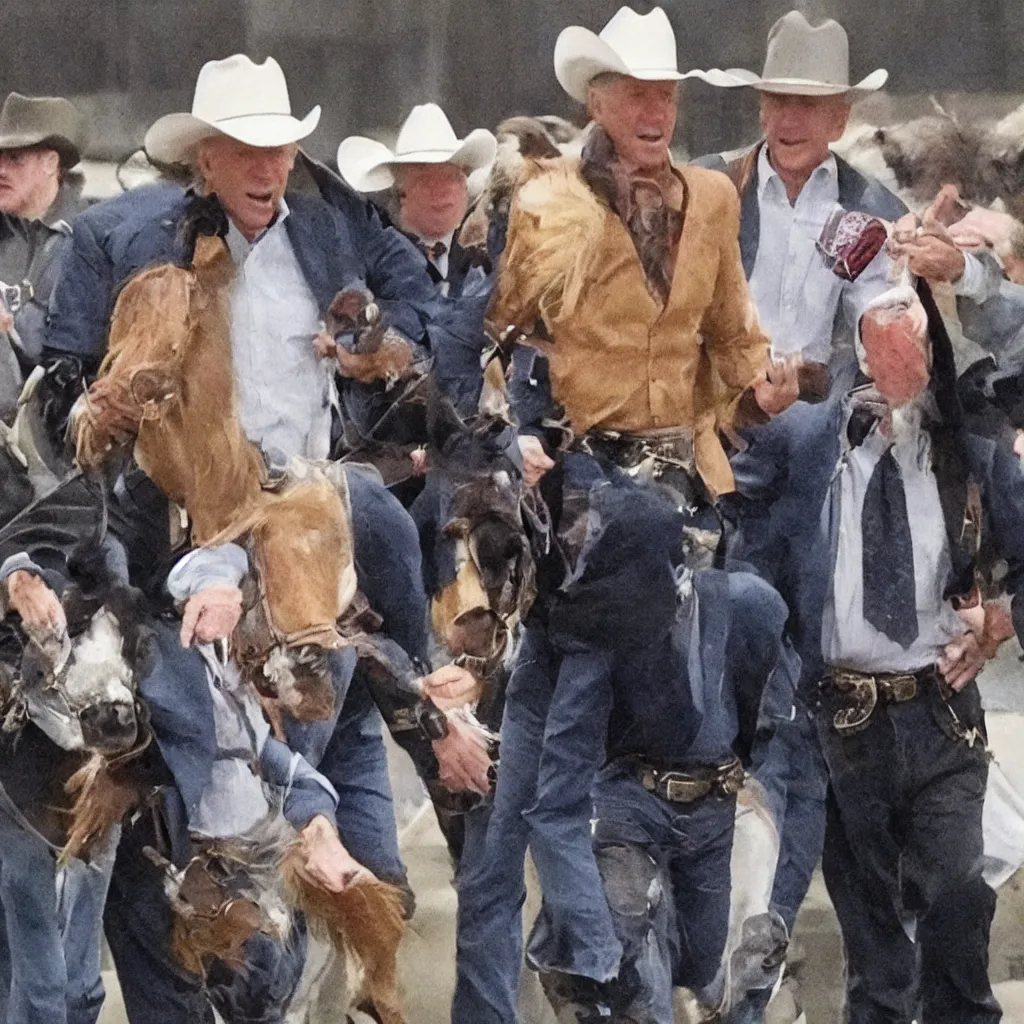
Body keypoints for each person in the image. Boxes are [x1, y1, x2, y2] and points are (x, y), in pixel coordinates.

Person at [41, 54, 484, 1023]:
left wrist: (377, 338)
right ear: (205, 159)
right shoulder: (125, 241)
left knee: (294, 731)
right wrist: (105, 406)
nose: (266, 167)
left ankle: (292, 944)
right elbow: (58, 387)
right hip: (169, 529)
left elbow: (420, 313)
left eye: (279, 149)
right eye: (245, 150)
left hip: (302, 531)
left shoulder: (330, 229)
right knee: (180, 764)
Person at [452, 8, 798, 1022]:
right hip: (584, 500)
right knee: (578, 736)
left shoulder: (713, 197)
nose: (654, 110)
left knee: (612, 731)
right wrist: (509, 433)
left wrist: (765, 384)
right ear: (594, 101)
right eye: (634, 93)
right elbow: (489, 341)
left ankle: (617, 948)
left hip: (681, 494)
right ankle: (593, 954)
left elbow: (732, 335)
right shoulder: (547, 204)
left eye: (666, 93)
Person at [732, 281, 1024, 1022]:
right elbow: (725, 494)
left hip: (939, 708)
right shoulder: (806, 442)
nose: (907, 363)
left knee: (958, 889)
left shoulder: (973, 451)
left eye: (920, 344)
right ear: (858, 350)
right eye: (888, 343)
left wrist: (1001, 618)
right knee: (873, 939)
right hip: (838, 718)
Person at [694, 15, 908, 1018]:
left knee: (791, 705)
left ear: (839, 114)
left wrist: (828, 373)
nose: (788, 117)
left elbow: (876, 320)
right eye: (777, 100)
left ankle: (764, 937)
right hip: (713, 434)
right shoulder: (708, 190)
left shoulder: (865, 212)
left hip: (804, 445)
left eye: (808, 104)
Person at [338, 102, 496, 297]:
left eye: (450, 179)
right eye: (426, 181)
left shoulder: (490, 258)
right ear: (401, 192)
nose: (440, 192)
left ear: (465, 186)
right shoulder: (369, 257)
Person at [0, 92, 88, 418]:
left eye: (15, 159)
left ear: (51, 163)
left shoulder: (91, 242)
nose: (1, 169)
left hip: (56, 442)